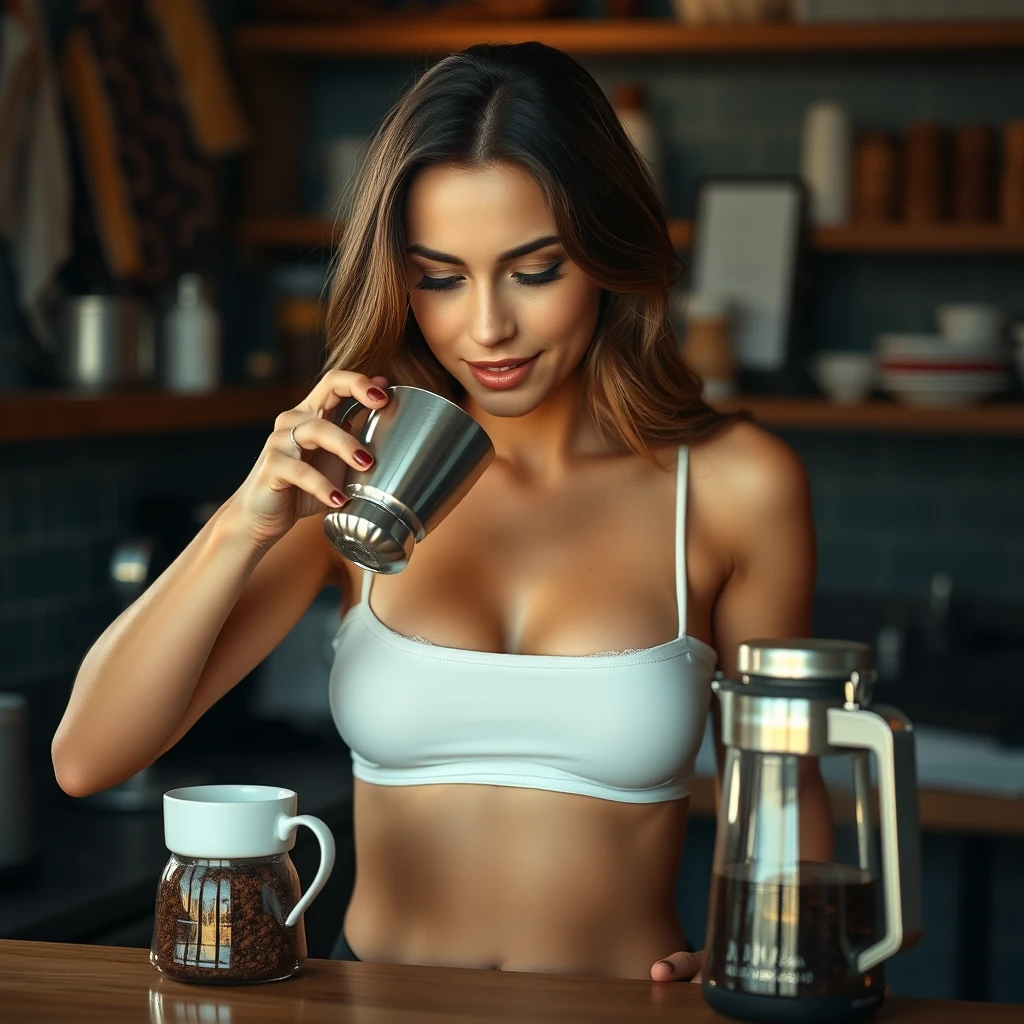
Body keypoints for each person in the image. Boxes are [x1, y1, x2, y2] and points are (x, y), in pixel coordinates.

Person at [52, 41, 832, 982]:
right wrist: (240, 521)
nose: (487, 327)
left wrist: (766, 952)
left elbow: (785, 792)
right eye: (440, 275)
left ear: (608, 252)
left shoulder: (736, 486)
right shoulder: (355, 469)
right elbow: (89, 757)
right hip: (372, 1002)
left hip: (627, 1011)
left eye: (536, 271)